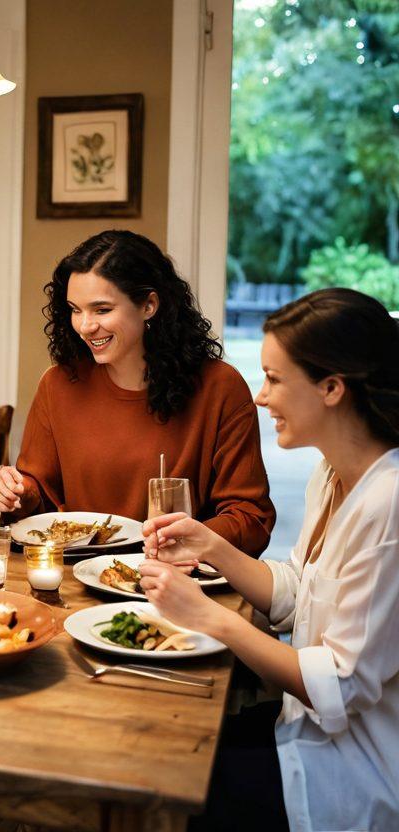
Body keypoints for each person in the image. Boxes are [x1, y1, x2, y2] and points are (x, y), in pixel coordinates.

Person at [140, 288, 399, 831]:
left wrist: (208, 617)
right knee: (158, 739)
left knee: (159, 791)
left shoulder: (389, 504)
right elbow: (302, 593)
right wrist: (210, 547)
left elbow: (339, 684)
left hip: (352, 773)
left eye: (275, 379)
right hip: (298, 729)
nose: (260, 397)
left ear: (332, 388)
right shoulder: (332, 475)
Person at [0, 230, 275, 555]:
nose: (84, 325)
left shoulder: (220, 388)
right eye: (75, 309)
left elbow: (251, 519)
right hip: (74, 582)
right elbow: (37, 496)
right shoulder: (58, 385)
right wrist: (17, 493)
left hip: (180, 583)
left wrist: (180, 542)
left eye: (102, 310)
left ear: (149, 305)